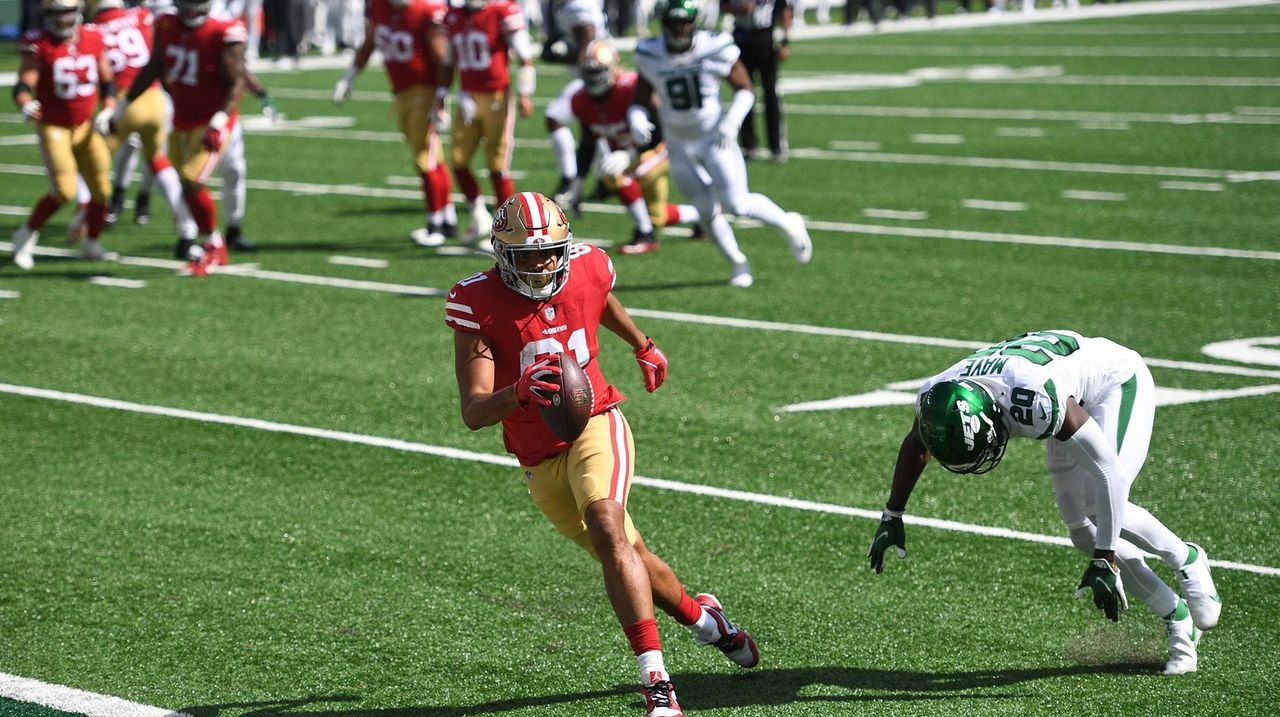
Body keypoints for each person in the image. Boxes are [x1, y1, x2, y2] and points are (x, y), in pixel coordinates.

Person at [445, 191, 758, 717]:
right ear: (502, 255)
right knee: (629, 558)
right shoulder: (476, 300)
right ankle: (708, 623)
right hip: (536, 457)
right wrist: (518, 391)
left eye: (551, 251)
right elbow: (474, 412)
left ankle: (656, 683)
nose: (543, 263)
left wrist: (642, 342)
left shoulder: (589, 264)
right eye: (528, 255)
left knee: (610, 528)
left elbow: (598, 298)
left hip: (595, 420)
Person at [866, 330, 1223, 675]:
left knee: (1096, 505)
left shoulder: (1031, 398)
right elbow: (917, 443)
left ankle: (1186, 557)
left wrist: (1106, 557)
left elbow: (1109, 474)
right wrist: (892, 513)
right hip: (1060, 398)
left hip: (1111, 385)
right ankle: (1176, 616)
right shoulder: (936, 395)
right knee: (1084, 534)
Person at [628, 0, 811, 287]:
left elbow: (746, 90)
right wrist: (636, 117)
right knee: (704, 209)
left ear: (694, 22)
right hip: (677, 143)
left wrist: (732, 121)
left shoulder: (715, 46)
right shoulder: (650, 53)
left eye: (684, 22)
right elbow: (640, 99)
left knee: (737, 204)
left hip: (714, 138)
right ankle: (737, 263)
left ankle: (790, 223)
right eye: (674, 23)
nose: (679, 29)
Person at [120, 0, 247, 276]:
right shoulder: (166, 24)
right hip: (182, 118)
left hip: (211, 121)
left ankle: (214, 245)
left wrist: (221, 118)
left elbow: (237, 81)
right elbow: (155, 65)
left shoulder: (223, 31)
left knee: (193, 179)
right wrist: (123, 104)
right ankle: (207, 241)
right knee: (185, 182)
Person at [334, 0, 456, 247]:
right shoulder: (380, 6)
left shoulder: (426, 12)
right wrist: (350, 76)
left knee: (425, 158)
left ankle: (435, 225)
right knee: (434, 157)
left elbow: (443, 58)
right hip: (401, 93)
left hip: (424, 90)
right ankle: (447, 218)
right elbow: (369, 43)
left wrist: (442, 98)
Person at [560, 40, 701, 255]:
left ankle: (645, 235)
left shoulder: (631, 88)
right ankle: (704, 214)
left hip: (661, 149)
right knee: (657, 216)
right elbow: (587, 142)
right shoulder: (581, 100)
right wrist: (578, 183)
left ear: (613, 67)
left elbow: (660, 128)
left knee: (613, 174)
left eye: (598, 70)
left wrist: (629, 153)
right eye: (588, 72)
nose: (593, 77)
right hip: (632, 155)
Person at [10, 0, 117, 269]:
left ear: (77, 13)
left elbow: (107, 80)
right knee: (65, 191)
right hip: (53, 125)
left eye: (66, 13)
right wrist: (26, 103)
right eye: (56, 14)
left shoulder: (93, 37)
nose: (61, 20)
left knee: (103, 189)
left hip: (85, 125)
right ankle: (24, 235)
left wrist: (107, 110)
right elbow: (24, 84)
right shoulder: (40, 44)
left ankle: (92, 243)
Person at [433, 0, 536, 245]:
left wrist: (525, 93)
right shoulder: (454, 16)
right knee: (459, 160)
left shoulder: (500, 10)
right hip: (468, 97)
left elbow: (525, 56)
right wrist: (442, 97)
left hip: (497, 97)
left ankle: (508, 230)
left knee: (497, 165)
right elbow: (448, 62)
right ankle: (479, 215)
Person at [92, 0, 187, 235]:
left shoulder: (92, 31)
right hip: (156, 94)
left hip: (125, 97)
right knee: (156, 156)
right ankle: (184, 221)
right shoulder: (142, 15)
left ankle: (90, 216)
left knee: (91, 161)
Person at [541, 0, 608, 200]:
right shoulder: (565, 6)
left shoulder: (578, 6)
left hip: (593, 80)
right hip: (590, 78)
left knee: (554, 116)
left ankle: (569, 179)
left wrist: (558, 56)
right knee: (595, 128)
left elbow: (587, 53)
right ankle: (606, 179)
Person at [720, 0, 792, 162]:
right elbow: (722, 6)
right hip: (741, 36)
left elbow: (784, 9)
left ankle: (776, 146)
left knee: (771, 92)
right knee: (744, 92)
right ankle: (748, 145)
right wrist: (738, 9)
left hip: (765, 37)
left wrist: (786, 41)